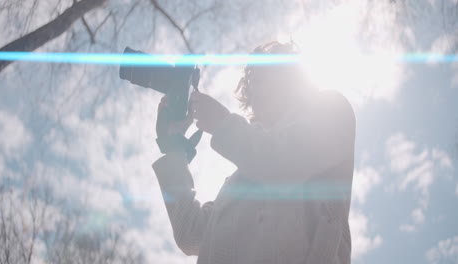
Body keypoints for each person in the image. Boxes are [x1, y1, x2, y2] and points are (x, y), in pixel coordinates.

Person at [152, 41, 356, 264]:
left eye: (262, 74)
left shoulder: (329, 108)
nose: (253, 85)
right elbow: (190, 234)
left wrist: (222, 123)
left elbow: (282, 163)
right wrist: (174, 148)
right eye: (250, 81)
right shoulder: (239, 179)